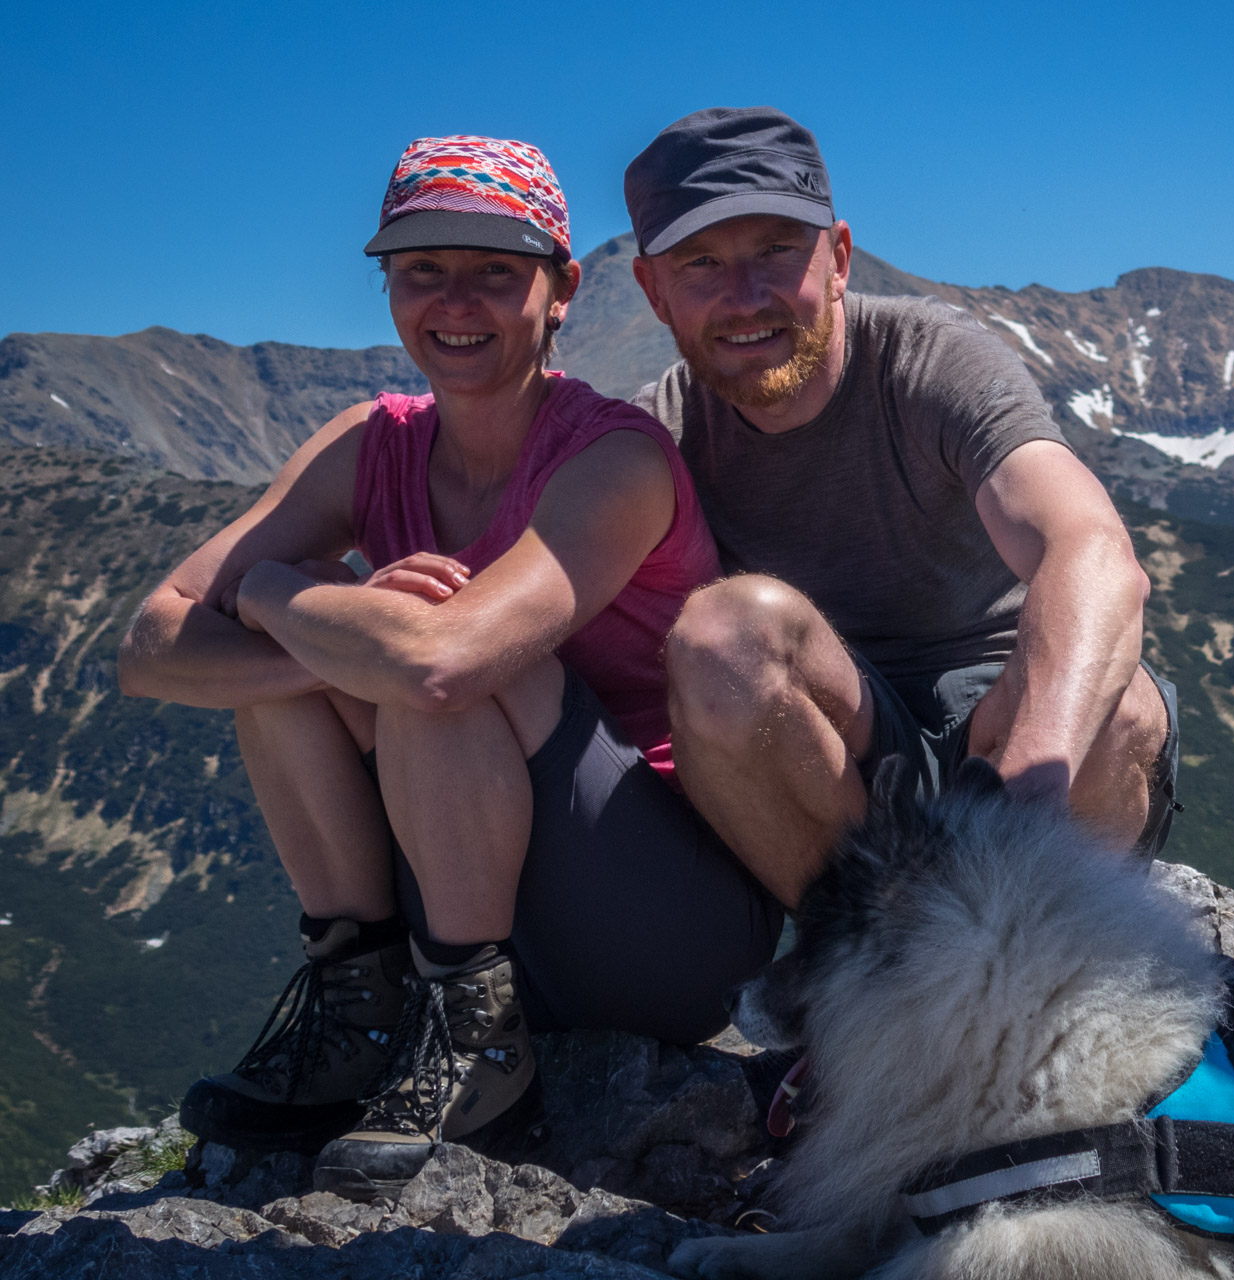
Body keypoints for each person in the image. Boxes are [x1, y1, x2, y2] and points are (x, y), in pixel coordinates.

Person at [117, 136, 779, 1197]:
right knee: (310, 664)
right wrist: (319, 630)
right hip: (482, 879)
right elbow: (150, 647)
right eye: (422, 267)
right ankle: (365, 1004)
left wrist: (284, 590)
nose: (454, 299)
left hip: (668, 927)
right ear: (387, 284)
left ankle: (480, 1049)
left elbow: (439, 668)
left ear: (559, 290)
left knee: (430, 649)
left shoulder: (613, 458)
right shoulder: (367, 442)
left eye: (495, 271)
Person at [626, 108, 1179, 910]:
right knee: (720, 637)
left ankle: (1039, 944)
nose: (745, 298)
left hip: (1007, 719)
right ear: (654, 292)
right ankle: (869, 959)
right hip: (840, 756)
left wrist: (1026, 784)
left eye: (779, 250)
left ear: (840, 258)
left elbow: (1091, 549)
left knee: (1121, 709)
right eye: (701, 263)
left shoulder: (933, 361)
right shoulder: (657, 435)